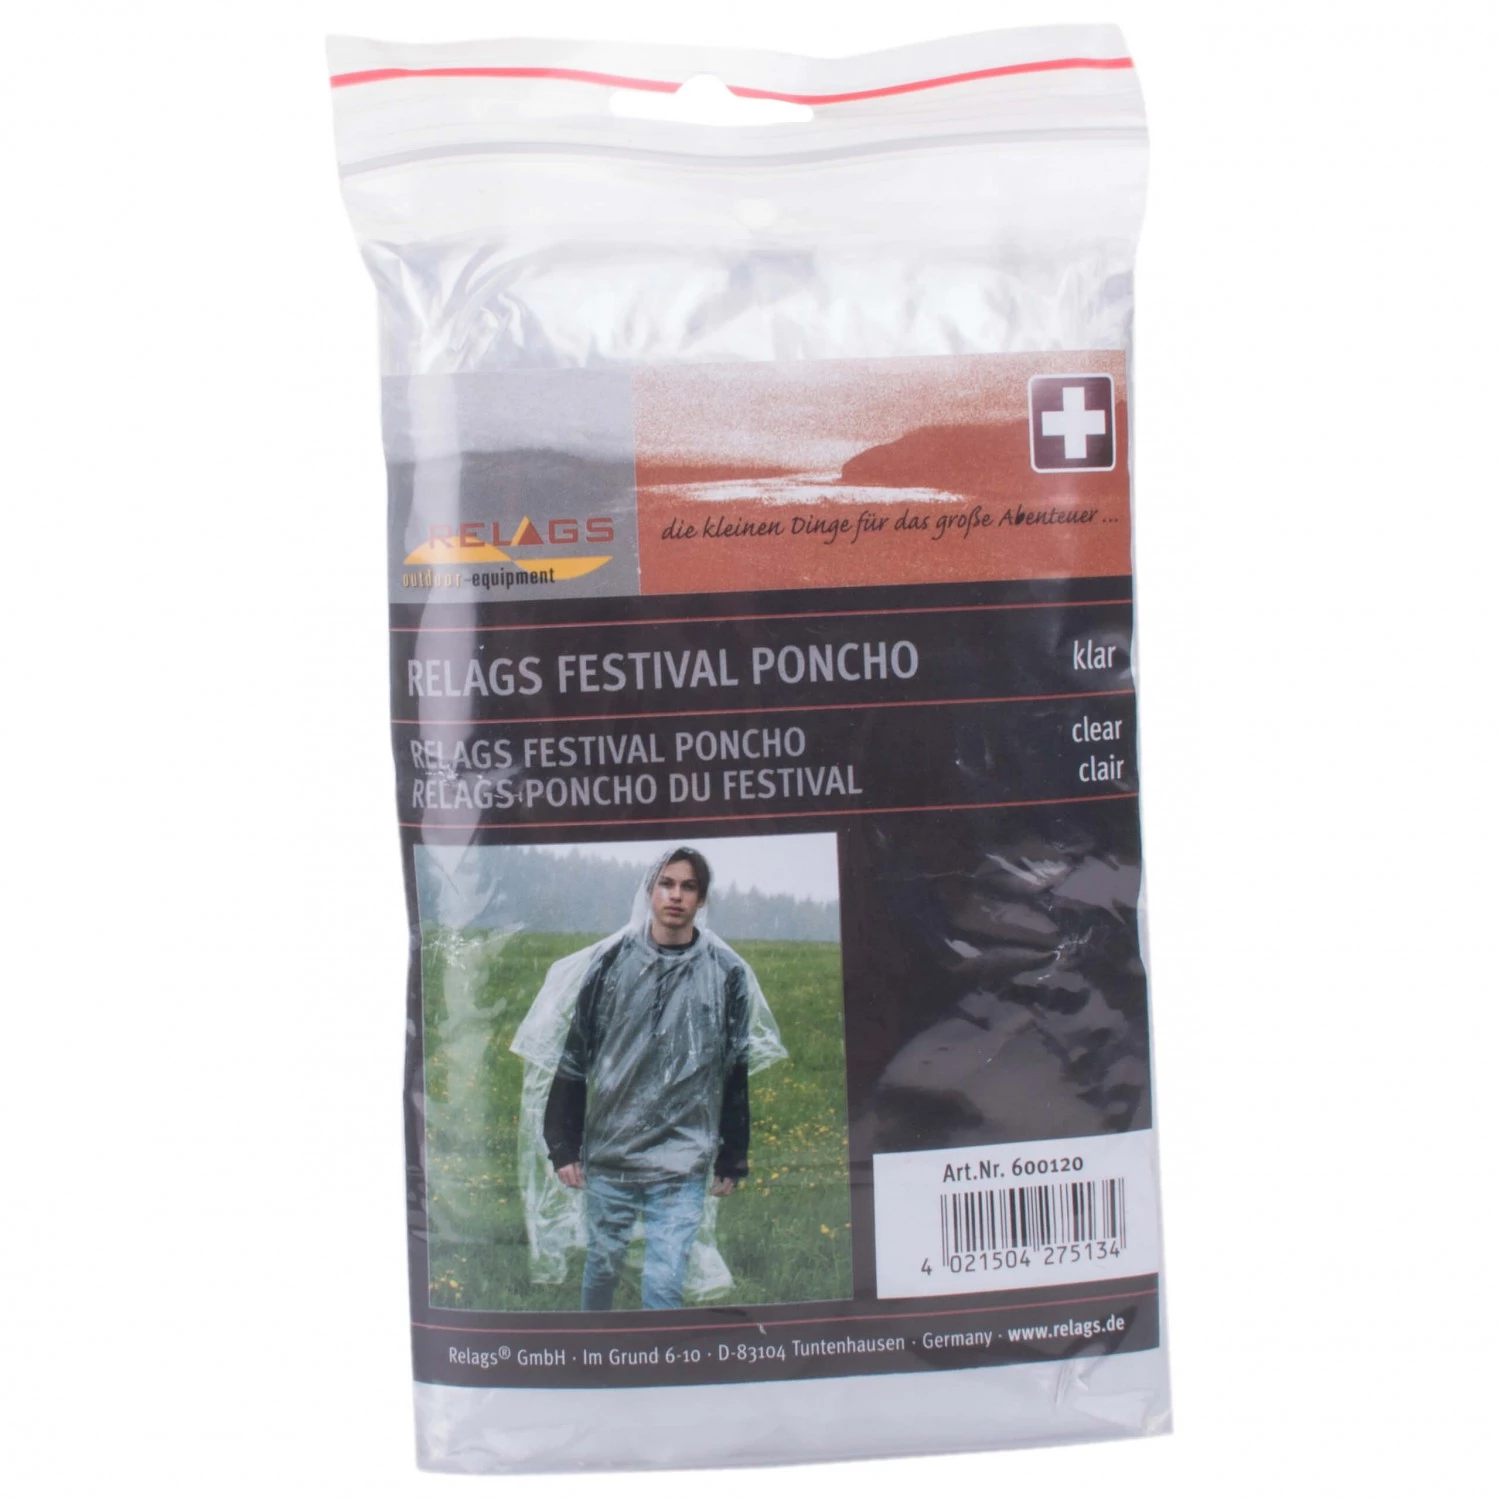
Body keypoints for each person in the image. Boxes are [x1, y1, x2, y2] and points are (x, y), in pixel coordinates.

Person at [537, 848, 770, 1311]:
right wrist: (563, 1142)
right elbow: (576, 1056)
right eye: (667, 884)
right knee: (603, 1269)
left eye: (688, 887)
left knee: (664, 1286)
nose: (676, 896)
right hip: (612, 1152)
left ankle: (655, 1356)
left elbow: (733, 1069)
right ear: (649, 891)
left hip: (683, 1158)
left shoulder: (726, 974)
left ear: (702, 899)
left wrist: (733, 1154)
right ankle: (596, 1348)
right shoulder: (610, 963)